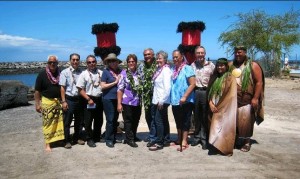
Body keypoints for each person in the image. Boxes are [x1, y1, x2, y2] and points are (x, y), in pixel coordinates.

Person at [229, 46, 264, 152]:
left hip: (247, 99)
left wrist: (255, 98)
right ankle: (235, 139)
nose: (237, 54)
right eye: (235, 52)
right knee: (234, 121)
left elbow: (259, 82)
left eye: (239, 52)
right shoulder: (230, 65)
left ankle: (246, 142)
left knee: (247, 122)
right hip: (233, 99)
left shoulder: (253, 65)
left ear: (245, 52)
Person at [207, 58, 237, 156]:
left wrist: (221, 106)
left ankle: (223, 147)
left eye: (222, 65)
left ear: (226, 66)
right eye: (218, 65)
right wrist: (210, 103)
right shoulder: (214, 77)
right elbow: (210, 92)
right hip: (214, 105)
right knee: (214, 126)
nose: (220, 67)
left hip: (225, 107)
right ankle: (214, 145)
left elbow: (231, 94)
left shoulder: (230, 77)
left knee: (223, 127)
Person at [34, 55, 64, 152]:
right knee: (48, 123)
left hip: (58, 102)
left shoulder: (60, 73)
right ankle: (48, 143)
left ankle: (58, 140)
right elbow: (37, 91)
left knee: (58, 123)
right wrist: (37, 104)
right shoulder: (42, 74)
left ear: (57, 63)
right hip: (47, 101)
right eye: (50, 62)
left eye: (54, 62)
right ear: (47, 63)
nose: (52, 64)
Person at [190, 46, 215, 150]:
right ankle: (196, 136)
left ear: (205, 53)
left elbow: (215, 80)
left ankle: (204, 138)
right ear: (195, 54)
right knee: (196, 115)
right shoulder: (192, 65)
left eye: (202, 53)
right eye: (198, 53)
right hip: (195, 91)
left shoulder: (211, 65)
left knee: (205, 116)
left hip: (206, 92)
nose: (200, 55)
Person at [170, 50, 196, 152]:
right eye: (173, 57)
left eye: (177, 57)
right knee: (178, 120)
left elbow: (192, 84)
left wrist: (185, 96)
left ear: (182, 57)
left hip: (186, 100)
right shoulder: (174, 69)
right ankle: (179, 138)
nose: (175, 59)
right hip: (175, 100)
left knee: (185, 121)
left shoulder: (187, 68)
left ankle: (184, 141)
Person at [76, 55, 103, 148]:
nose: (91, 64)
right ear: (86, 63)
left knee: (99, 120)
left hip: (99, 98)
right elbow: (80, 89)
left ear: (96, 62)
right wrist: (88, 99)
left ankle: (97, 137)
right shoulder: (84, 74)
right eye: (89, 62)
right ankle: (89, 138)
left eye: (93, 62)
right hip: (88, 99)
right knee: (88, 121)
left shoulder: (100, 72)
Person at [59, 53, 85, 149]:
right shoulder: (65, 72)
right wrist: (63, 101)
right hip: (69, 99)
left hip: (79, 100)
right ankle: (66, 140)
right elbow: (62, 87)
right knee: (67, 121)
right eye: (73, 59)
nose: (75, 61)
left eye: (77, 59)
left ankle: (76, 138)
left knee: (79, 120)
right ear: (70, 60)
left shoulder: (81, 72)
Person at [148, 50, 172, 151]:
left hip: (162, 100)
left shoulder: (166, 70)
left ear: (165, 60)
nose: (158, 60)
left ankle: (159, 142)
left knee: (159, 121)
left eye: (160, 58)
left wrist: (162, 100)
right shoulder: (159, 69)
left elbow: (167, 87)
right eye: (157, 58)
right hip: (157, 99)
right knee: (164, 120)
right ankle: (166, 139)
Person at [117, 54, 142, 148]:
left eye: (133, 61)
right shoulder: (123, 74)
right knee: (128, 121)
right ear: (127, 63)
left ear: (136, 62)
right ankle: (129, 139)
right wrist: (119, 104)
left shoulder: (139, 73)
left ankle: (134, 136)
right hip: (126, 101)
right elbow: (120, 89)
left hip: (137, 101)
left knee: (136, 119)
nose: (131, 63)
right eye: (129, 62)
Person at [101, 53, 122, 148]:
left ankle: (112, 137)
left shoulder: (120, 71)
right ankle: (108, 139)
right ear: (108, 63)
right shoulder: (106, 72)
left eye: (114, 61)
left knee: (115, 119)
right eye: (110, 61)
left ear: (117, 62)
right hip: (108, 99)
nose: (113, 63)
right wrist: (115, 82)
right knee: (110, 119)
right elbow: (103, 86)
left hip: (117, 99)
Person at [137, 48, 157, 146]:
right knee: (148, 115)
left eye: (149, 54)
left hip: (156, 94)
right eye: (145, 55)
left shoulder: (158, 65)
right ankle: (152, 133)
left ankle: (155, 136)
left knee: (156, 116)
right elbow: (139, 79)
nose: (147, 56)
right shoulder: (141, 66)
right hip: (146, 94)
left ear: (153, 55)